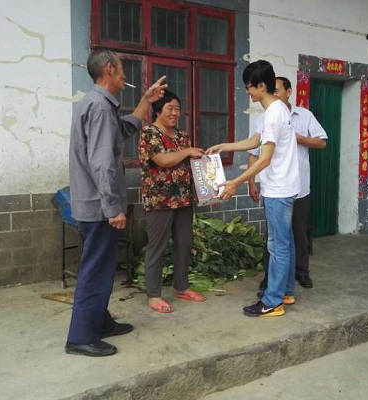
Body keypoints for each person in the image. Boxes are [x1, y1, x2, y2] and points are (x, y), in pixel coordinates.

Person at [66, 50, 167, 357]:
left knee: (101, 268)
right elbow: (101, 163)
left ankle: (100, 321)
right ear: (109, 70)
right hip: (99, 207)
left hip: (95, 204)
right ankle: (81, 337)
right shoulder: (99, 107)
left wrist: (146, 101)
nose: (125, 76)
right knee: (95, 270)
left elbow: (124, 130)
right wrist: (112, 208)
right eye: (121, 69)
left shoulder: (97, 104)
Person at [207, 60, 300, 317]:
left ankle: (272, 301)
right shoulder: (275, 110)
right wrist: (224, 146)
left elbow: (264, 158)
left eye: (249, 87)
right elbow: (254, 141)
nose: (247, 91)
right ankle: (286, 292)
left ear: (261, 86)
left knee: (278, 246)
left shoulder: (273, 114)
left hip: (279, 189)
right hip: (285, 186)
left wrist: (236, 182)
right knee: (286, 242)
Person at [249, 76, 327, 293]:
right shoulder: (266, 117)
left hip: (299, 187)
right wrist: (250, 182)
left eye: (276, 90)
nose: (273, 94)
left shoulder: (304, 116)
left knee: (296, 233)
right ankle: (272, 278)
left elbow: (321, 142)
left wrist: (299, 138)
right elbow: (254, 150)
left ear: (289, 91)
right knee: (276, 237)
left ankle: (299, 274)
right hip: (275, 188)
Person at [139, 90, 206, 313]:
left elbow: (192, 164)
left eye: (177, 109)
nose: (175, 113)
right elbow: (163, 160)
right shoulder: (150, 132)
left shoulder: (182, 136)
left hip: (183, 199)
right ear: (158, 110)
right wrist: (187, 151)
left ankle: (182, 287)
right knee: (157, 246)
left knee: (184, 243)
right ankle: (153, 295)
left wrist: (210, 190)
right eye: (170, 108)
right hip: (159, 200)